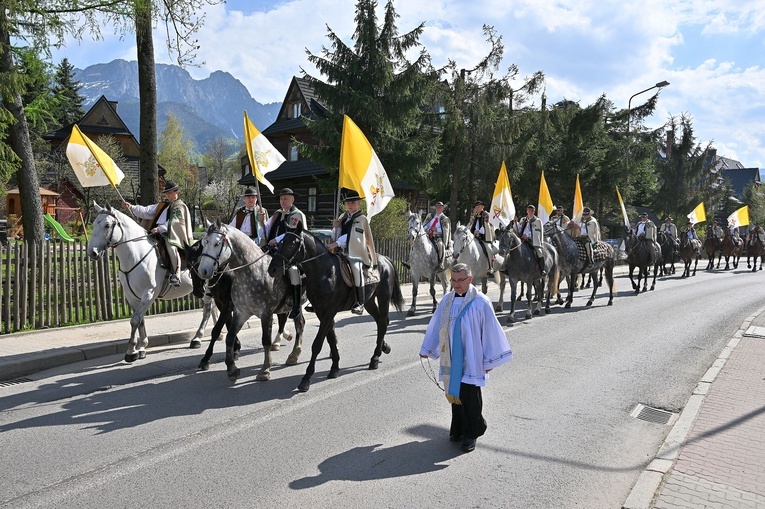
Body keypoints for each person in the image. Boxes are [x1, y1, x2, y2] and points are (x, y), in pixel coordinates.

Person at [419, 263, 513, 453]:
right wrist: (428, 348)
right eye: (453, 280)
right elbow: (436, 324)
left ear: (470, 279)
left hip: (472, 356)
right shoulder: (446, 301)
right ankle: (459, 428)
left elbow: (491, 332)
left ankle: (474, 430)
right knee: (455, 393)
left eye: (460, 280)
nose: (456, 284)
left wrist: (489, 361)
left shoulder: (481, 302)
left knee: (470, 394)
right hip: (451, 356)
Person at [123, 179, 192, 286]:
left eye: (170, 192)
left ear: (176, 192)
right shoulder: (163, 205)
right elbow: (146, 211)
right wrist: (131, 207)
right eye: (166, 193)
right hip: (156, 233)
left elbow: (175, 221)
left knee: (171, 246)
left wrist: (160, 229)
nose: (168, 195)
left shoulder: (180, 206)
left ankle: (176, 274)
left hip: (171, 235)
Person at [327, 190, 377, 315]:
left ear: (358, 203)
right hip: (341, 252)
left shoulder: (361, 219)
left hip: (355, 253)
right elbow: (337, 235)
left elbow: (354, 236)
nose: (350, 205)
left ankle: (360, 302)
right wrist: (336, 227)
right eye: (348, 202)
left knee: (356, 268)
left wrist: (337, 243)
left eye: (353, 202)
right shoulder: (343, 218)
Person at [265, 188, 307, 318]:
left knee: (293, 271)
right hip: (277, 251)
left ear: (292, 200)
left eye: (286, 199)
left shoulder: (297, 214)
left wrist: (276, 240)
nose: (283, 201)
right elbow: (267, 229)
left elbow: (294, 234)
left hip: (292, 253)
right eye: (281, 199)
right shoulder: (279, 214)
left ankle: (295, 304)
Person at [516, 204, 547, 276]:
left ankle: (542, 269)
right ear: (527, 211)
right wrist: (515, 223)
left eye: (532, 211)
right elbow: (519, 228)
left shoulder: (537, 221)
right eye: (529, 210)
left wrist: (528, 236)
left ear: (534, 212)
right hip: (522, 239)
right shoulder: (523, 219)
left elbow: (538, 232)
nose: (530, 212)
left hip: (532, 241)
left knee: (539, 252)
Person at [467, 200, 495, 276]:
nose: (477, 208)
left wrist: (479, 231)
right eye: (476, 207)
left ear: (482, 207)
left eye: (479, 206)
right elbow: (473, 226)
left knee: (488, 248)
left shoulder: (486, 215)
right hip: (475, 236)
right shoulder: (476, 216)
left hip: (485, 236)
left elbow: (487, 226)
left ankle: (491, 267)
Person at [423, 201, 451, 271]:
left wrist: (437, 229)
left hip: (438, 237)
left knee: (440, 245)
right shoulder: (430, 216)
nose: (438, 208)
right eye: (437, 207)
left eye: (440, 207)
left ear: (442, 209)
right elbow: (424, 225)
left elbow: (446, 230)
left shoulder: (445, 219)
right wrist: (426, 229)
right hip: (428, 236)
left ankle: (440, 263)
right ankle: (410, 260)